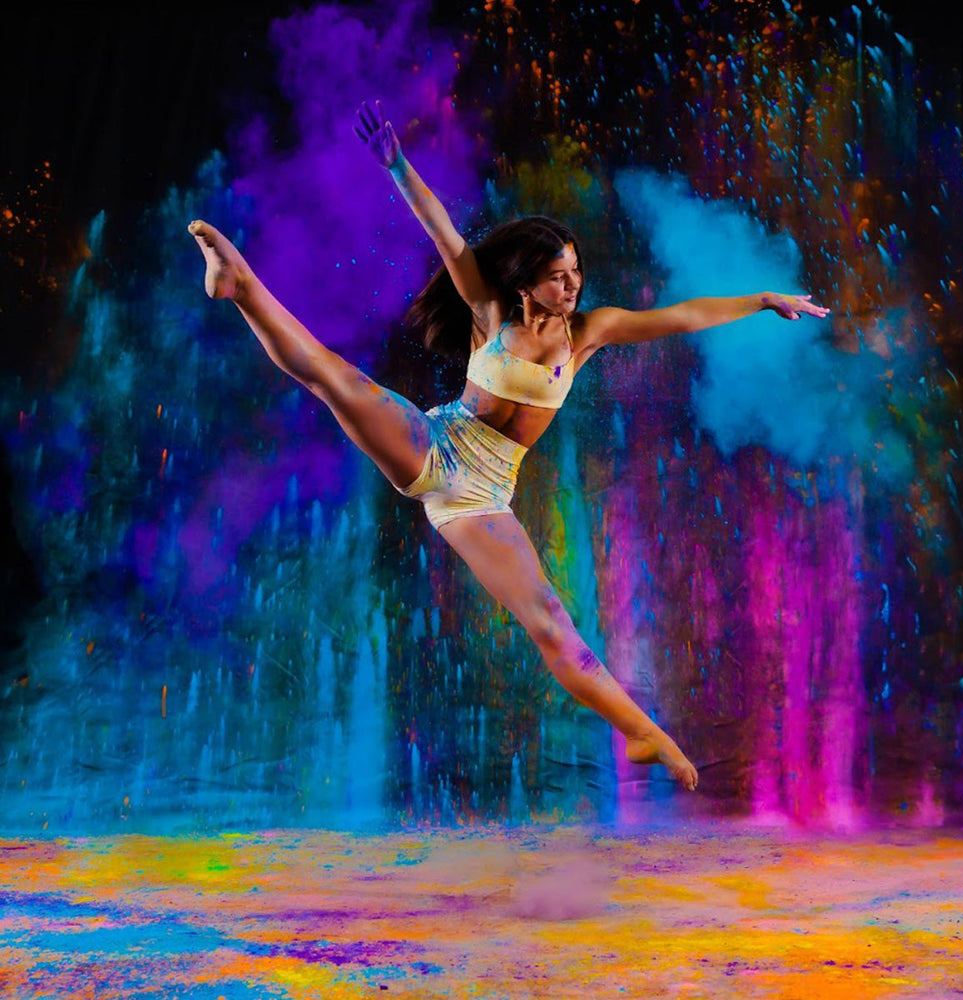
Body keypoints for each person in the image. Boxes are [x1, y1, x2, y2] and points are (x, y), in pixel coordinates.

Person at [188, 100, 830, 794]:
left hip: (481, 498)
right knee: (333, 379)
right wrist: (398, 165)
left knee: (551, 623)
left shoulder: (589, 331)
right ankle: (242, 284)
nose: (573, 284)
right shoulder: (489, 312)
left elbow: (682, 316)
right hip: (433, 444)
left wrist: (763, 298)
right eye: (560, 275)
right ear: (526, 282)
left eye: (577, 272)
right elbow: (444, 234)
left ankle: (644, 735)